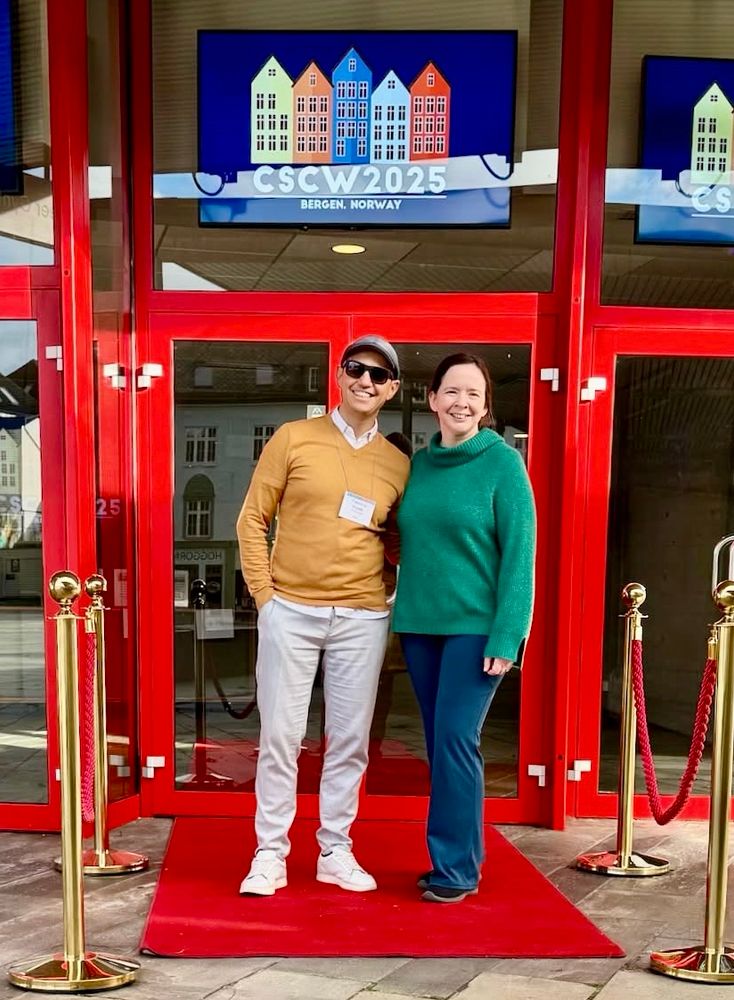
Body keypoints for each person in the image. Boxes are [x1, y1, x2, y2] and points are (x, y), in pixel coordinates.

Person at [236, 335, 409, 896]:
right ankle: (270, 853)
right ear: (339, 375)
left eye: (379, 376)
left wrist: (385, 597)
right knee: (281, 736)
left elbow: (399, 542)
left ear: (393, 390)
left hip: (361, 617)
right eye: (356, 369)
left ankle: (335, 849)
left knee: (350, 741)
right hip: (291, 608)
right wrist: (266, 597)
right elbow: (252, 520)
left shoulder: (398, 464)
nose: (366, 381)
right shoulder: (293, 438)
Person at [392, 352, 536, 903]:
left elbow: (520, 556)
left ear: (486, 407)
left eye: (473, 394)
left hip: (476, 628)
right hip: (421, 625)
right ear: (431, 400)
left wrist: (508, 635)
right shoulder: (420, 465)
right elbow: (406, 538)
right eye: (451, 391)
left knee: (456, 740)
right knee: (440, 743)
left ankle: (455, 870)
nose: (462, 402)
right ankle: (458, 859)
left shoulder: (503, 465)